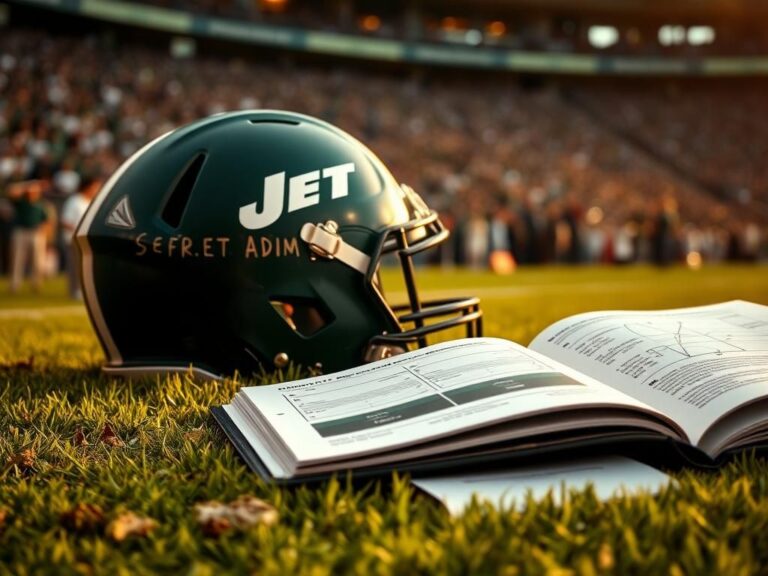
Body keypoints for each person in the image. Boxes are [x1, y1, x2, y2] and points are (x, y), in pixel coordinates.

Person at [60, 174, 102, 299]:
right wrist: (79, 231)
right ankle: (75, 291)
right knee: (75, 265)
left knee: (86, 266)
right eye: (95, 187)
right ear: (87, 187)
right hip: (74, 239)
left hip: (87, 239)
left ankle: (84, 290)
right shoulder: (74, 200)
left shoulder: (92, 202)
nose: (97, 189)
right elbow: (65, 221)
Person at [8, 180, 49, 293]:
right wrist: (28, 184)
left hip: (36, 233)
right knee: (17, 259)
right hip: (21, 232)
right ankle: (15, 284)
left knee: (37, 260)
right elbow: (11, 191)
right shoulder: (21, 202)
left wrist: (43, 231)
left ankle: (36, 283)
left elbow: (46, 220)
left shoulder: (41, 204)